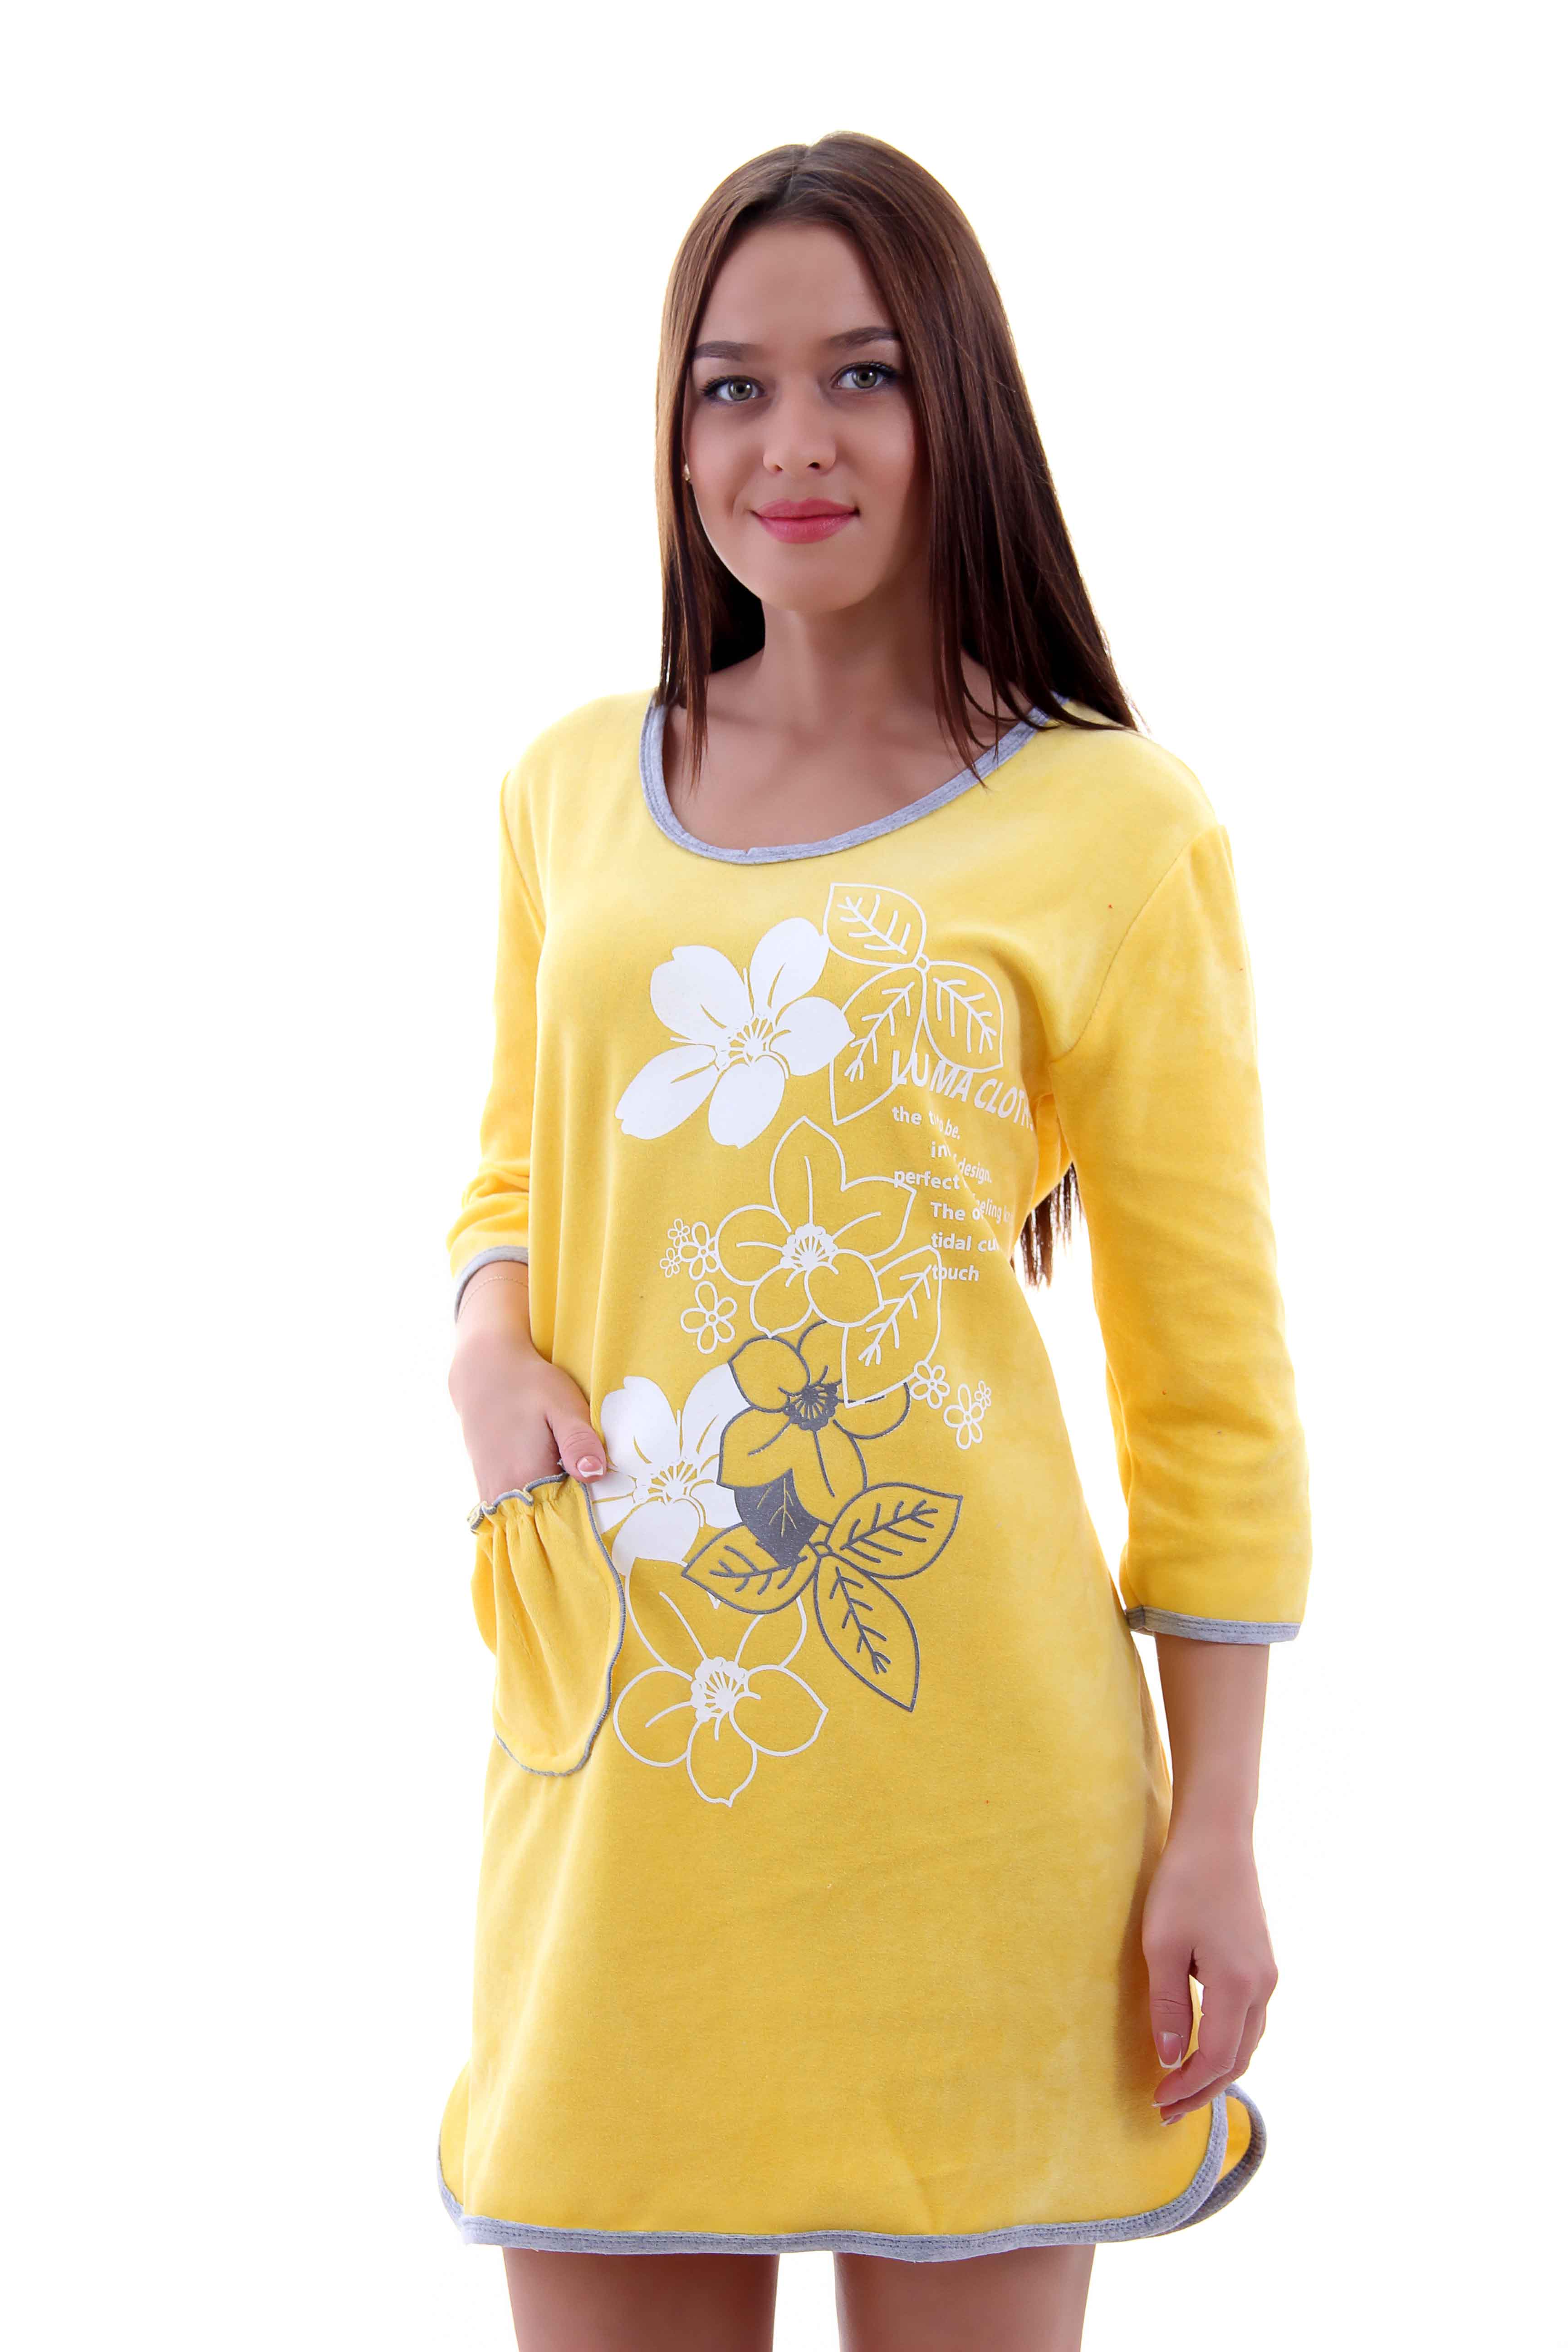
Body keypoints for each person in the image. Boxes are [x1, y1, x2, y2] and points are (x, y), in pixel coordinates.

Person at [440, 130, 1312, 2352]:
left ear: (962, 406)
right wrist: (485, 1343)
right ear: (674, 437)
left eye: (862, 375)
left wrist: (1217, 1826)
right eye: (730, 387)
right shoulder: (571, 789)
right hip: (634, 1761)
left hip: (975, 1816)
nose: (792, 443)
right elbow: (519, 1166)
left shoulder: (1113, 824)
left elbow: (1210, 1384)